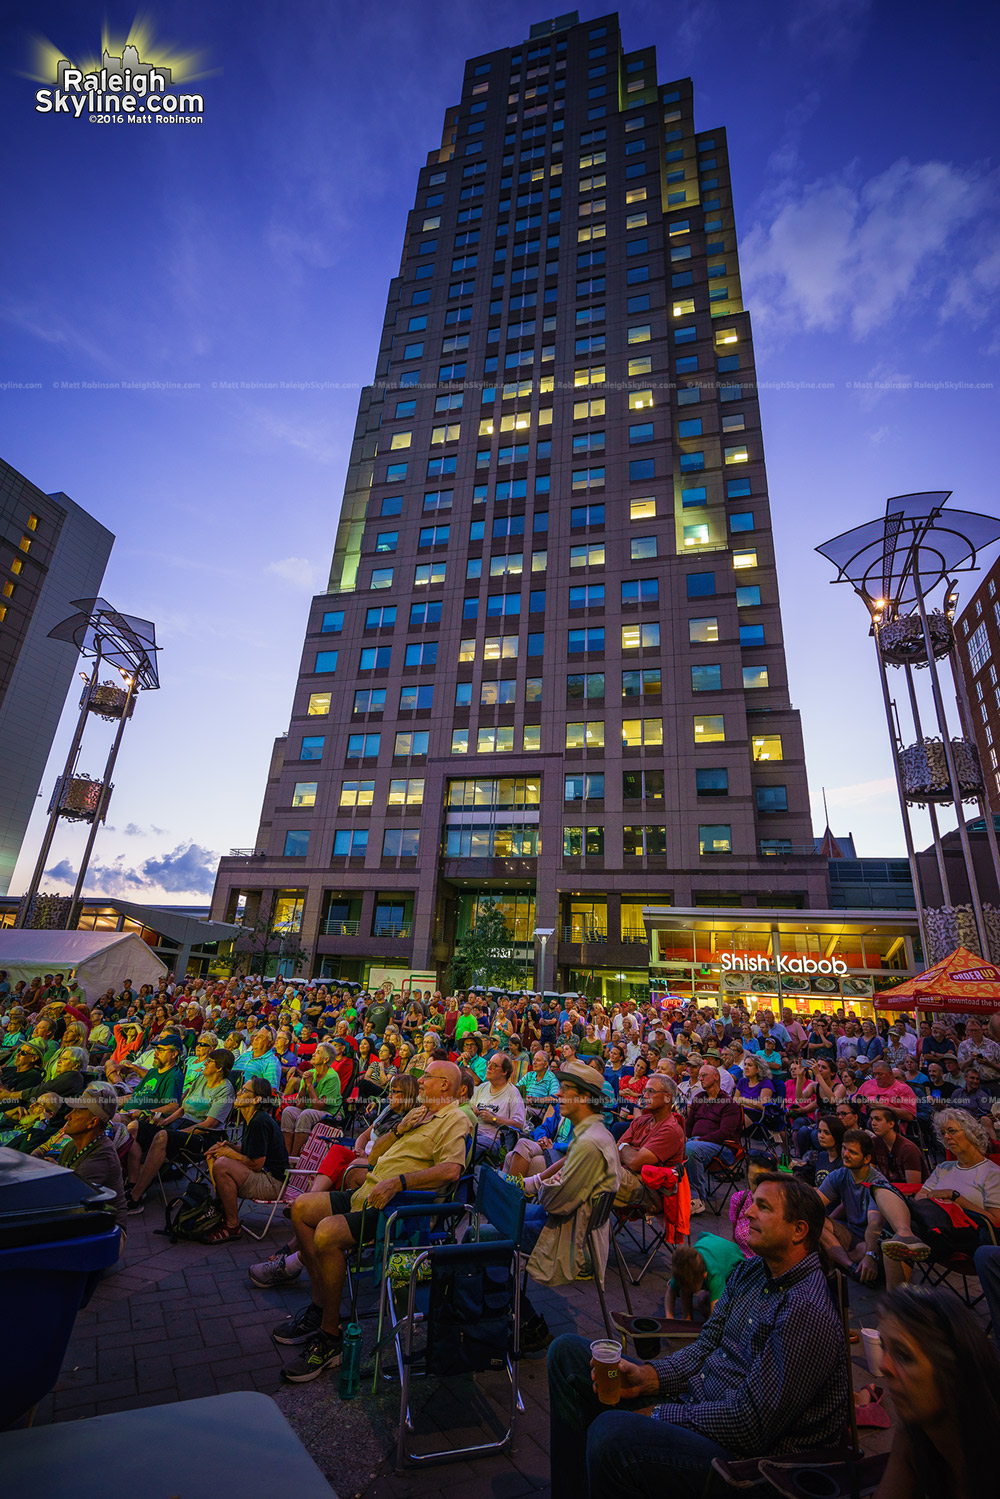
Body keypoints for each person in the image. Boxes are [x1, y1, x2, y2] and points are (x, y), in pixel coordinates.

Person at [547, 1175, 848, 1499]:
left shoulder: (805, 1310)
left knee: (612, 1435)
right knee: (567, 1355)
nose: (747, 1213)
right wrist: (649, 1377)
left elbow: (751, 1424)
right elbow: (707, 1345)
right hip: (701, 1403)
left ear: (798, 1230)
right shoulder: (751, 1272)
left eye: (763, 1207)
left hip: (752, 1463)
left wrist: (658, 1416)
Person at [273, 1059, 470, 1380]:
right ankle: (321, 1303)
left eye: (426, 1079)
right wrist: (400, 1128)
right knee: (301, 1209)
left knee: (325, 1233)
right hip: (366, 1191)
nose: (420, 1083)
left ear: (445, 1085)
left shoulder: (455, 1119)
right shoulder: (418, 1114)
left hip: (394, 1209)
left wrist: (399, 1182)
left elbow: (452, 1171)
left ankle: (330, 1336)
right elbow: (375, 1155)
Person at [518, 1058, 620, 1351]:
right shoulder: (590, 1134)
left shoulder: (590, 1142)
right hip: (573, 1223)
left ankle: (526, 1325)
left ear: (585, 1097)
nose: (558, 1094)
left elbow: (556, 1203)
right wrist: (537, 1185)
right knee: (508, 1214)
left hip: (575, 1239)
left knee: (491, 1237)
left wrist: (537, 1188)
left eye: (564, 1089)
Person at [875, 1285, 1000, 1499]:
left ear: (952, 1372)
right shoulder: (913, 1430)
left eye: (903, 1355)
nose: (883, 1365)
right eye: (883, 1346)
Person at [125, 1048, 236, 1213]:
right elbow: (182, 1108)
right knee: (134, 1127)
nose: (205, 1063)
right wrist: (165, 1121)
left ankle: (136, 1196)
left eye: (209, 1061)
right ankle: (132, 1182)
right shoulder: (201, 1079)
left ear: (219, 1067)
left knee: (162, 1136)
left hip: (203, 1137)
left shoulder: (225, 1090)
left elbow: (209, 1124)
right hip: (178, 1125)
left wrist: (177, 1134)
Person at [818, 1128, 928, 1287]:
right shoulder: (839, 1175)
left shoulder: (877, 1184)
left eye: (853, 1152)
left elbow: (874, 1224)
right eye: (844, 1148)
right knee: (814, 1220)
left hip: (872, 1241)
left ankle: (842, 1259)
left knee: (862, 1249)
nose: (845, 1154)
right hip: (850, 1232)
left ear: (866, 1158)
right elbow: (815, 1203)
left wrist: (870, 1254)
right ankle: (850, 1266)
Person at [903, 1109, 1000, 1259]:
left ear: (971, 1132)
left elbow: (994, 1222)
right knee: (894, 1213)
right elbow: (920, 1197)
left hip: (968, 1237)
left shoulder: (992, 1173)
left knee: (900, 1232)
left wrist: (954, 1197)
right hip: (933, 1227)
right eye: (943, 1133)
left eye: (951, 1131)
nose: (947, 1137)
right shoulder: (944, 1168)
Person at [203, 1077, 289, 1243]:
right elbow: (252, 1152)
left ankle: (232, 1225)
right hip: (263, 1176)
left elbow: (256, 1164)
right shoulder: (252, 1118)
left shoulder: (259, 1121)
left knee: (222, 1164)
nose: (238, 1093)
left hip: (273, 1183)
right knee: (215, 1155)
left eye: (244, 1091)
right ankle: (221, 1208)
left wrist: (228, 1153)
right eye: (240, 1089)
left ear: (256, 1099)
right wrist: (230, 1146)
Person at [47, 1083, 128, 1250]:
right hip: (85, 1220)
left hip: (110, 1234)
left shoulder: (101, 1157)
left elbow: (69, 1199)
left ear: (92, 1122)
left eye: (76, 1112)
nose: (67, 1116)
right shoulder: (71, 1146)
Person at [614, 1073, 685, 1208]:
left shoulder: (671, 1130)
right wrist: (625, 1149)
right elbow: (616, 1150)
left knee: (591, 1174)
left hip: (649, 1191)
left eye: (651, 1092)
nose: (645, 1096)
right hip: (626, 1177)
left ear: (667, 1098)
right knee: (586, 1158)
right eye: (645, 1091)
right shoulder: (641, 1121)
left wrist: (623, 1146)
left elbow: (635, 1163)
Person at [683, 1065, 744, 1214]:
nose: (700, 1079)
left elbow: (726, 1132)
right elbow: (689, 1124)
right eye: (700, 1077)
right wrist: (684, 1137)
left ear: (716, 1077)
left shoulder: (728, 1103)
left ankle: (696, 1200)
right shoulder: (699, 1098)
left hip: (722, 1147)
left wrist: (698, 1140)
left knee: (690, 1149)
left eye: (704, 1075)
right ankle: (676, 1196)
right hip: (695, 1142)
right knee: (675, 1146)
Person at [279, 1042, 343, 1156]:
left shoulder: (332, 1077)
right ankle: (286, 1153)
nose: (313, 1054)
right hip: (310, 1108)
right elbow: (299, 1105)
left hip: (330, 1112)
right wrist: (303, 1086)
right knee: (288, 1112)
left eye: (318, 1053)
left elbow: (318, 1106)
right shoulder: (310, 1073)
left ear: (325, 1059)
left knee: (306, 1115)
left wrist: (309, 1085)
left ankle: (294, 1156)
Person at [665, 1235, 745, 1321]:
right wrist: (669, 1319)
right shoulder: (682, 1268)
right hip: (710, 1244)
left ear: (705, 1275)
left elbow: (715, 1315)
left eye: (693, 1290)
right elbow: (670, 1292)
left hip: (734, 1261)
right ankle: (687, 1318)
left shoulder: (715, 1275)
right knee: (684, 1290)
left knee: (710, 1307)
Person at [471, 1052, 527, 1150]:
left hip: (492, 1139)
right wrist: (472, 1109)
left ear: (504, 1072)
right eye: (489, 1063)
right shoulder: (481, 1088)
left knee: (467, 1147)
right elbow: (469, 1106)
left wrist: (494, 1119)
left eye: (494, 1065)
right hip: (473, 1132)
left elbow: (518, 1124)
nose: (488, 1068)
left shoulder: (513, 1093)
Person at [868, 1105, 924, 1185]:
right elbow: (870, 1177)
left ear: (891, 1124)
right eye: (871, 1119)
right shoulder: (874, 1143)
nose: (873, 1123)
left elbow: (913, 1187)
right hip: (887, 1191)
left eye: (878, 1119)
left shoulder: (908, 1149)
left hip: (907, 1194)